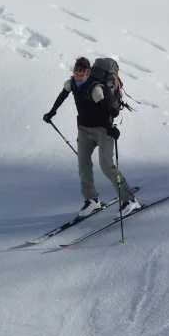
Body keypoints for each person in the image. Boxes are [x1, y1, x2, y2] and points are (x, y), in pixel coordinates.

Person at [44, 57, 140, 217]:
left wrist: (111, 128)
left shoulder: (95, 89)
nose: (79, 76)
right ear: (74, 71)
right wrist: (52, 112)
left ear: (88, 73)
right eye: (77, 72)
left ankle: (130, 200)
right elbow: (63, 95)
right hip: (84, 130)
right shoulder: (71, 83)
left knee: (106, 166)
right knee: (83, 166)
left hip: (103, 130)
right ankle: (91, 200)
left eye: (83, 73)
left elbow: (106, 109)